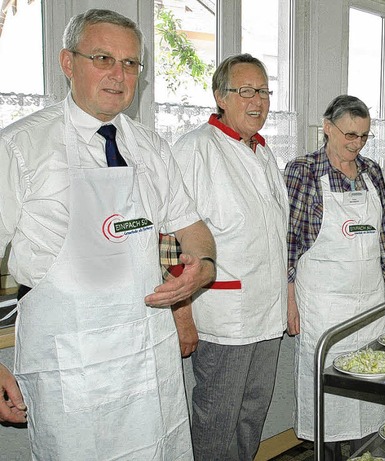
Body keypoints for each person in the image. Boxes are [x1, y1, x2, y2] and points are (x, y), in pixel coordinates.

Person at [0, 9, 216, 460]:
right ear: (67, 63)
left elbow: (193, 230)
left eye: (131, 64)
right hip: (72, 371)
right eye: (103, 58)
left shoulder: (151, 148)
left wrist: (202, 270)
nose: (119, 75)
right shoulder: (21, 148)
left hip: (149, 363)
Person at [168, 53, 289, 461]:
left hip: (266, 314)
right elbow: (168, 241)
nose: (258, 100)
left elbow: (272, 237)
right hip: (224, 316)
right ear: (220, 96)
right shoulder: (195, 151)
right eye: (246, 91)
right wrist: (182, 316)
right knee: (217, 420)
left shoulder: (263, 153)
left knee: (252, 415)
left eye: (264, 91)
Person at [285, 95, 385, 460]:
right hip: (324, 304)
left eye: (363, 136)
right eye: (349, 135)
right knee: (327, 397)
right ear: (327, 128)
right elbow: (289, 243)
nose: (356, 144)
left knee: (372, 391)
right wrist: (289, 300)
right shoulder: (303, 171)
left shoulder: (371, 171)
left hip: (370, 302)